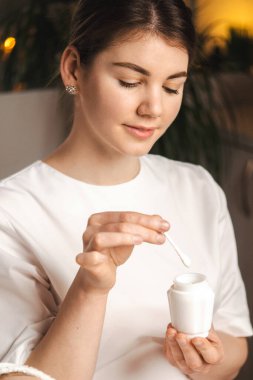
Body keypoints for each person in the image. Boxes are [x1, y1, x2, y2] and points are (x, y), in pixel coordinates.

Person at [0, 0, 252, 379]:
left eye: (172, 87)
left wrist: (203, 360)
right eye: (130, 82)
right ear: (73, 69)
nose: (153, 108)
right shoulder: (14, 211)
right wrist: (90, 287)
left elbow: (235, 343)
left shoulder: (198, 187)